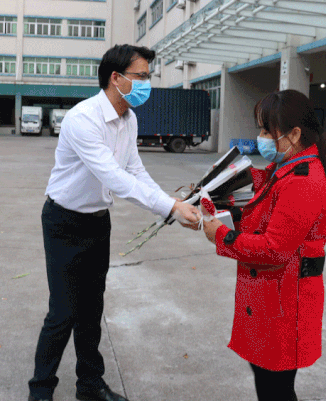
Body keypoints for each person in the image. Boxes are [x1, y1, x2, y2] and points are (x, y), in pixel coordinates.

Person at [28, 45, 201, 401]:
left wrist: (171, 205)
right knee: (62, 312)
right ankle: (40, 391)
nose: (147, 83)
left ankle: (90, 385)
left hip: (97, 223)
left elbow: (135, 170)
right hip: (64, 222)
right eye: (141, 76)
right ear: (116, 78)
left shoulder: (128, 119)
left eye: (148, 76)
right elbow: (113, 177)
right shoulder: (83, 119)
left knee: (92, 309)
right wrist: (168, 206)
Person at [199, 90, 326, 401]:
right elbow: (261, 211)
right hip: (270, 300)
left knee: (276, 389)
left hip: (284, 305)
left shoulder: (303, 180)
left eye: (266, 131)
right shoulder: (284, 169)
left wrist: (222, 235)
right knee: (268, 381)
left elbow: (274, 248)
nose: (260, 138)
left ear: (295, 134)